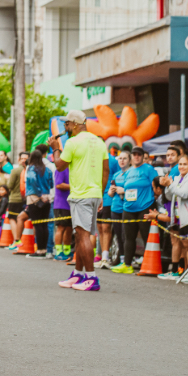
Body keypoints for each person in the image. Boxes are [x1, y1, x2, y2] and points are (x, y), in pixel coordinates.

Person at [49, 110, 108, 291]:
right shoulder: (98, 141)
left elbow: (59, 166)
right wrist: (101, 194)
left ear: (74, 124)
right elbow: (105, 170)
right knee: (82, 235)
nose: (65, 127)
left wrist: (55, 148)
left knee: (82, 236)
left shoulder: (72, 142)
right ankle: (78, 274)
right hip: (94, 193)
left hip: (81, 194)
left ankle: (91, 278)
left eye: (66, 124)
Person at [111, 147, 157, 275]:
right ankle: (127, 264)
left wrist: (155, 200)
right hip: (128, 207)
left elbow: (156, 186)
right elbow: (126, 187)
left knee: (147, 236)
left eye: (139, 155)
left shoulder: (148, 169)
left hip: (145, 206)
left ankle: (150, 265)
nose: (136, 157)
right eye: (134, 155)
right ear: (132, 157)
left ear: (142, 156)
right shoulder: (129, 171)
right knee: (128, 237)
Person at [165, 154, 188, 283]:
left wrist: (171, 184)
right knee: (184, 245)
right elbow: (168, 196)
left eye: (185, 164)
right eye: (180, 164)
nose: (182, 167)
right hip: (179, 217)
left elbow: (185, 193)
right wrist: (167, 185)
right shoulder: (177, 178)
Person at [23, 149, 54, 258]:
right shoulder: (47, 169)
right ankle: (45, 249)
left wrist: (39, 193)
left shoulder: (31, 168)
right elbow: (51, 183)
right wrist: (45, 193)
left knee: (37, 224)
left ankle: (40, 250)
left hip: (34, 197)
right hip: (47, 198)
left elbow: (32, 179)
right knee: (44, 225)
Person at [106, 151, 130, 268]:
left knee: (126, 236)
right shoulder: (116, 175)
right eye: (120, 158)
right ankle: (120, 258)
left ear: (129, 161)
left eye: (125, 158)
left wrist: (123, 190)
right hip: (115, 207)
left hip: (127, 208)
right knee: (118, 235)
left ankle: (127, 259)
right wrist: (111, 191)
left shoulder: (131, 173)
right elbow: (110, 193)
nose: (122, 161)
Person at [97, 150, 120, 268]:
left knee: (106, 227)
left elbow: (117, 177)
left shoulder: (111, 160)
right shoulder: (92, 159)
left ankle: (105, 258)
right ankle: (102, 256)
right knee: (100, 228)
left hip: (108, 197)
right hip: (95, 196)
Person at [5, 152, 28, 250]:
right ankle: (20, 240)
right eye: (22, 158)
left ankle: (16, 240)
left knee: (13, 218)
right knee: (21, 219)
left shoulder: (15, 170)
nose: (23, 160)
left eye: (25, 158)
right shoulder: (31, 169)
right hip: (26, 199)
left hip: (15, 198)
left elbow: (9, 185)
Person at [53, 166, 72, 261]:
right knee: (61, 227)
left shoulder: (73, 169)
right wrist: (75, 186)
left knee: (69, 228)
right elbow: (58, 184)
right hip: (61, 204)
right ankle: (58, 252)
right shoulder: (61, 169)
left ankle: (67, 251)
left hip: (71, 204)